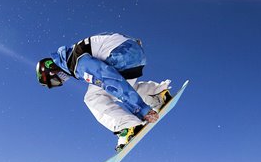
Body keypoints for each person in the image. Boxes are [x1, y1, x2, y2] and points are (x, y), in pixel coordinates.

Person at [36, 32, 172, 151]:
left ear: (51, 68)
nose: (61, 82)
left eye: (55, 80)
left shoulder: (76, 62)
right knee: (113, 92)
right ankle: (156, 94)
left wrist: (142, 110)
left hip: (122, 54)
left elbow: (108, 78)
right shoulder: (73, 54)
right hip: (132, 52)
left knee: (93, 97)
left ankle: (128, 126)